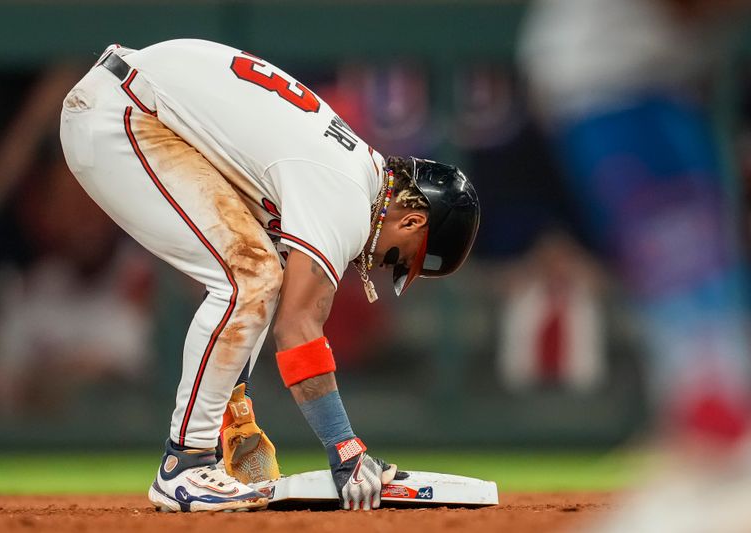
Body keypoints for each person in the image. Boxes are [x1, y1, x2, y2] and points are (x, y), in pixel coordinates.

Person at [59, 40, 479, 513]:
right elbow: (297, 327)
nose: (388, 266)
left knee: (259, 270)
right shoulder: (344, 196)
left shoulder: (350, 171)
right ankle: (186, 463)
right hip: (123, 113)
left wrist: (235, 409)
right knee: (249, 276)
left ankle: (207, 445)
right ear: (413, 220)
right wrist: (346, 449)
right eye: (404, 259)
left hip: (133, 99)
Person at [520, 0, 751, 530]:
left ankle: (714, 448)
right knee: (687, 268)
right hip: (615, 76)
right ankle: (713, 457)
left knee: (693, 270)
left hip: (633, 79)